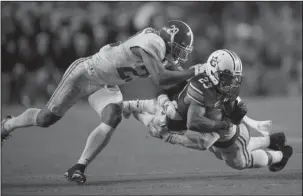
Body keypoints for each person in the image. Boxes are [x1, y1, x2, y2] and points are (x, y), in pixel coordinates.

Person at [1, 20, 205, 184]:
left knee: (113, 116)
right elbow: (160, 78)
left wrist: (205, 78)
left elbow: (179, 77)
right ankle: (7, 125)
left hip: (106, 84)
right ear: (169, 40)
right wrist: (192, 71)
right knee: (46, 119)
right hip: (85, 74)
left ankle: (79, 167)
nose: (181, 54)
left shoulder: (162, 53)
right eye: (179, 48)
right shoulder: (154, 42)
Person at [123, 49, 293, 172]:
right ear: (213, 72)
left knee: (240, 162)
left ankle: (280, 155)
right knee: (219, 150)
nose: (231, 83)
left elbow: (201, 134)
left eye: (233, 78)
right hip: (219, 131)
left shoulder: (216, 88)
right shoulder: (200, 88)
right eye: (227, 78)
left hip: (230, 137)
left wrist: (169, 135)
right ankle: (271, 140)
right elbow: (194, 121)